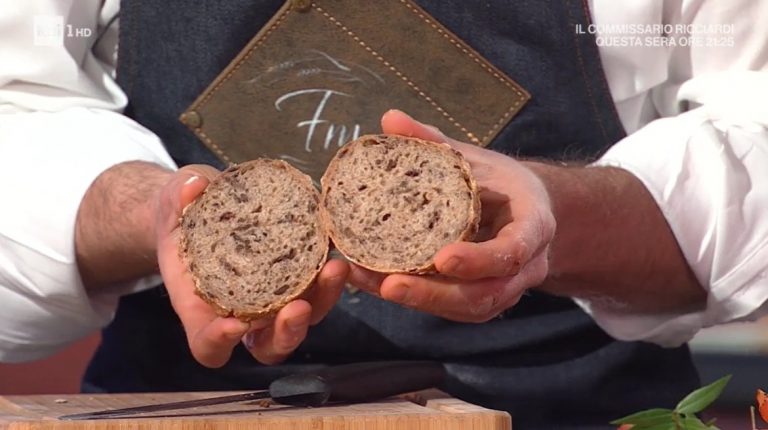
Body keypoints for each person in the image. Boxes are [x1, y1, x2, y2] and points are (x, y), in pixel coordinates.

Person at [1, 0, 767, 428]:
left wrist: (558, 215)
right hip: (181, 411)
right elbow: (18, 102)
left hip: (573, 411)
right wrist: (152, 213)